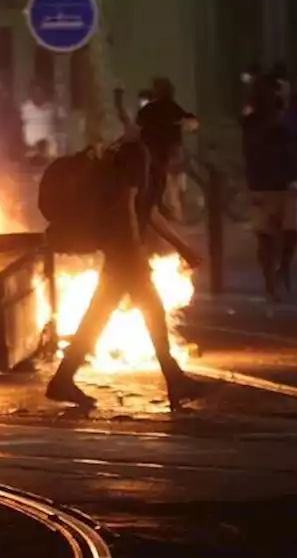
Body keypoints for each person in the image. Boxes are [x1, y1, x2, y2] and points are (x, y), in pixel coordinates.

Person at [44, 133, 205, 410]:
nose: (181, 148)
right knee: (150, 309)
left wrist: (182, 247)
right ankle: (174, 379)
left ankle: (63, 379)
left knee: (102, 313)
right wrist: (133, 249)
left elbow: (148, 211)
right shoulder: (137, 155)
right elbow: (125, 205)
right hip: (121, 246)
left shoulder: (148, 163)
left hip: (121, 246)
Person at [240, 74, 297, 301]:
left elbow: (294, 149)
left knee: (287, 232)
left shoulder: (282, 119)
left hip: (280, 183)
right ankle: (272, 279)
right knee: (268, 235)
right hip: (264, 184)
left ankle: (280, 271)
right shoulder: (255, 122)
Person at [136, 77, 200, 223]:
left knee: (159, 185)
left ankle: (156, 215)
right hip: (164, 153)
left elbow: (139, 122)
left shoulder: (152, 108)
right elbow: (185, 117)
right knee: (163, 186)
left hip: (155, 154)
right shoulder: (168, 106)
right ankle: (161, 215)